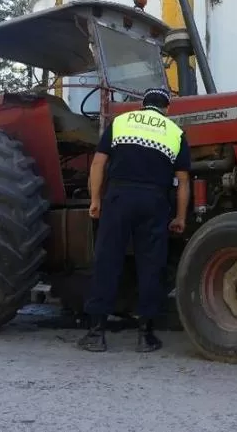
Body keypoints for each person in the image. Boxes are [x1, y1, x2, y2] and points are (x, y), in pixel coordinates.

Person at [77, 86, 191, 353]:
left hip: (119, 197)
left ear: (143, 104)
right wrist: (180, 217)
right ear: (166, 108)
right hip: (154, 201)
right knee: (151, 265)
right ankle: (146, 335)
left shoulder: (121, 122)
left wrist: (95, 200)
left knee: (107, 261)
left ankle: (96, 334)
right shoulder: (174, 132)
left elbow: (98, 163)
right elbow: (184, 181)